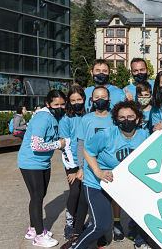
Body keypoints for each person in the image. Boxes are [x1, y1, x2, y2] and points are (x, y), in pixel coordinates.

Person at [69, 101, 149, 249]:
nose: (126, 120)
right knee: (101, 225)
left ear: (138, 119)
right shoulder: (106, 134)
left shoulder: (144, 135)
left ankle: (141, 240)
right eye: (122, 117)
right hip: (96, 183)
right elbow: (87, 150)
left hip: (117, 185)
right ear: (116, 119)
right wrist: (98, 171)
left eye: (130, 117)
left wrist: (160, 130)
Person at [17, 90, 66, 247]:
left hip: (44, 162)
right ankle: (39, 235)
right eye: (56, 104)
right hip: (31, 162)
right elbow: (36, 145)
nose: (60, 107)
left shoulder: (53, 117)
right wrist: (59, 144)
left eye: (62, 104)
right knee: (37, 196)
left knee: (39, 195)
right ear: (47, 104)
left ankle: (32, 229)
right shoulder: (42, 118)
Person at [77, 86, 122, 248]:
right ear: (92, 100)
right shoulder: (86, 119)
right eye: (97, 97)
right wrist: (80, 166)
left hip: (111, 173)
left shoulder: (115, 118)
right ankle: (85, 238)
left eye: (103, 97)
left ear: (109, 100)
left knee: (107, 208)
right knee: (96, 210)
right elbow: (81, 144)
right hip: (92, 173)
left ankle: (103, 235)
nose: (100, 100)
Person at [58, 86, 88, 245]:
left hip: (87, 162)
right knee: (75, 191)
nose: (77, 103)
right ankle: (69, 224)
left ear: (84, 99)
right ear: (69, 102)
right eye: (73, 100)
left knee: (84, 194)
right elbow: (65, 146)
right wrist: (73, 169)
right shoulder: (65, 119)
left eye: (79, 99)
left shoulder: (88, 116)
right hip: (72, 162)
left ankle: (79, 225)